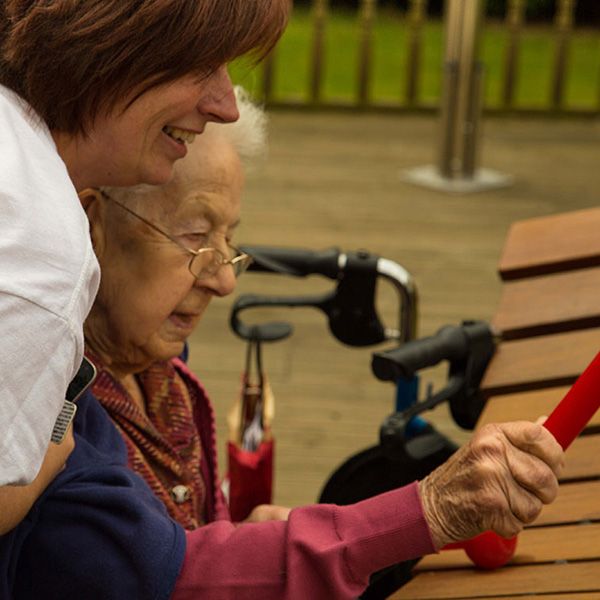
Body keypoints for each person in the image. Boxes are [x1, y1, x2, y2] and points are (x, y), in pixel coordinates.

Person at [0, 90, 565, 600]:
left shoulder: (159, 370)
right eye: (197, 237)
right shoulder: (51, 418)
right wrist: (431, 510)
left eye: (231, 239)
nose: (224, 279)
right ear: (90, 223)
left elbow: (192, 552)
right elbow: (171, 580)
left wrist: (242, 540)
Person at [0, 0, 289, 533]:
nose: (225, 105)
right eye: (196, 236)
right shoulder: (39, 250)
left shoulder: (170, 387)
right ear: (115, 44)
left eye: (231, 241)